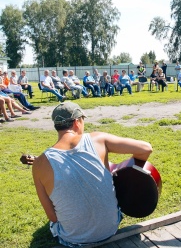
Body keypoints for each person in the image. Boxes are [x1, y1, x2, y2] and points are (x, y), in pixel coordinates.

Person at [31, 102, 152, 247]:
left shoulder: (39, 164)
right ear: (77, 122)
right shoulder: (98, 139)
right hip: (110, 229)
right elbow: (146, 148)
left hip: (73, 239)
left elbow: (52, 217)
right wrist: (121, 170)